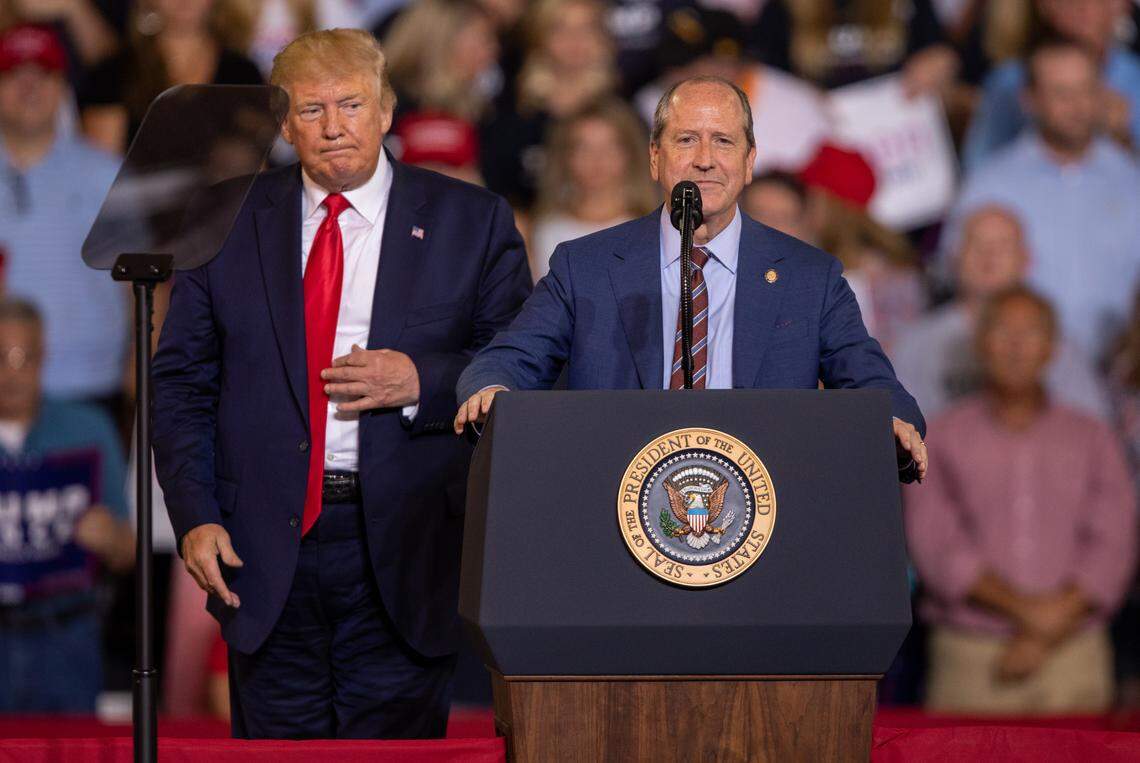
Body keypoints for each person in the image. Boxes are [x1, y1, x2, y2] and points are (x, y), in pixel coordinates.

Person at [151, 29, 531, 739]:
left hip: (408, 547)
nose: (333, 127)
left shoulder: (471, 222)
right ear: (284, 123)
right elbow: (181, 382)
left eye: (351, 104)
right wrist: (195, 513)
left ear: (387, 109)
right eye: (311, 109)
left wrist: (423, 378)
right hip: (261, 549)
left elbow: (521, 364)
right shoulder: (223, 217)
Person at [454, 75, 928, 482]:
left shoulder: (810, 278)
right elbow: (509, 360)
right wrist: (491, 388)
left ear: (749, 161)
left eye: (723, 141)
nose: (705, 159)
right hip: (612, 501)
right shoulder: (588, 267)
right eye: (686, 140)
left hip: (767, 511)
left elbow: (873, 385)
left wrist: (891, 419)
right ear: (655, 158)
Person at [905, 286, 1136, 714]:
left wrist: (1047, 631)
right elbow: (936, 545)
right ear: (980, 343)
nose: (1015, 345)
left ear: (1052, 348)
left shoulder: (1093, 437)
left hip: (1075, 655)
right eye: (1003, 330)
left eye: (1030, 332)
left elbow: (1114, 542)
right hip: (971, 657)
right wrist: (1030, 615)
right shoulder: (940, 436)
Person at [946, 37, 1140, 363]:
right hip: (1023, 374)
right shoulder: (990, 184)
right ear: (1029, 100)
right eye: (1062, 94)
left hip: (1126, 369)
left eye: (1087, 90)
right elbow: (959, 280)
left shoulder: (1131, 179)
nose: (1078, 106)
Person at [0, 298, 133, 712]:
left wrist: (109, 536)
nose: (12, 373)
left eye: (25, 357)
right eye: (1, 356)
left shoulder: (87, 430)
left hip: (65, 636)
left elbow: (128, 550)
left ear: (45, 356)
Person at [0, 24, 126, 414]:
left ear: (62, 88)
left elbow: (148, 284)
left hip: (92, 386)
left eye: (43, 74)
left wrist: (146, 371)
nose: (29, 87)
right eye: (14, 75)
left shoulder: (107, 173)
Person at [894, 205, 1110, 420]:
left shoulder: (1057, 344)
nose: (989, 257)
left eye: (1003, 246)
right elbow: (903, 430)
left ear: (1026, 260)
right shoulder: (916, 345)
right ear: (955, 257)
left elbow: (1090, 430)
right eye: (976, 244)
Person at [962, 0, 1140, 170]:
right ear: (1045, 6)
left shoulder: (1134, 79)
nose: (1082, 9)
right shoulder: (1009, 82)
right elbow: (980, 167)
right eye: (1068, 1)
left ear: (1120, 5)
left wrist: (1123, 139)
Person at [78, 0, 264, 155]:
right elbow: (101, 173)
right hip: (141, 197)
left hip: (224, 197)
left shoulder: (243, 72)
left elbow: (254, 170)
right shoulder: (113, 74)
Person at [528, 99, 658, 282]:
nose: (597, 161)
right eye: (584, 148)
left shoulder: (653, 229)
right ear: (566, 156)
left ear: (630, 154)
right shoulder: (547, 228)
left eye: (610, 147)